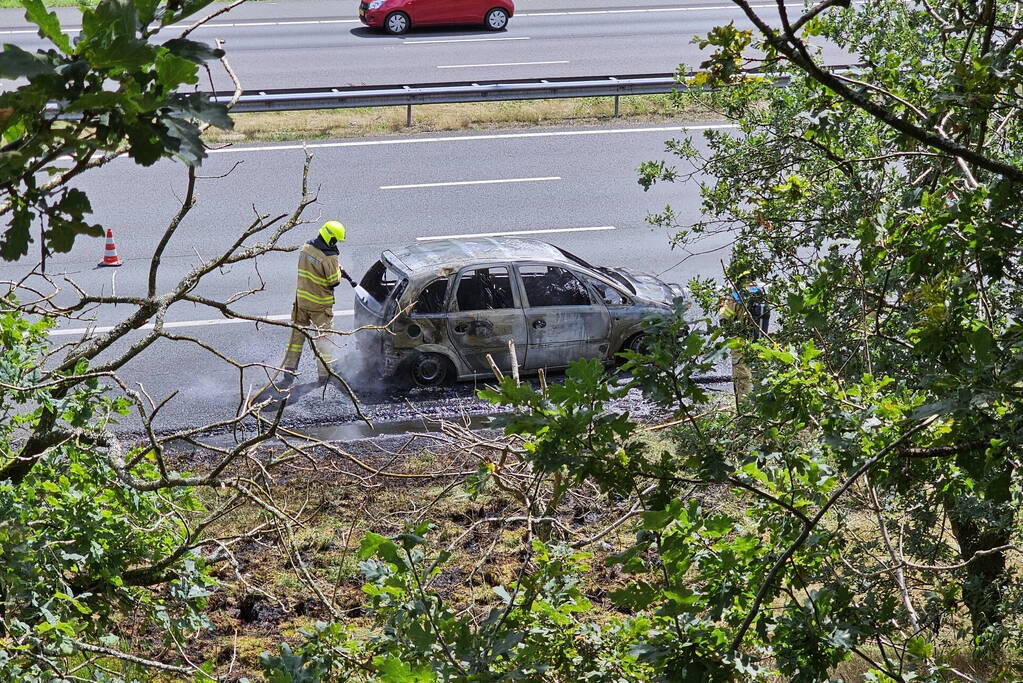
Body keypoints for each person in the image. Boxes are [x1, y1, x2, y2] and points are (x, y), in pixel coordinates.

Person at [278, 221, 356, 388]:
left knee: (296, 337)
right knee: (324, 340)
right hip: (320, 305)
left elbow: (314, 269)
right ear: (332, 239)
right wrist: (336, 267)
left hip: (301, 302)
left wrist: (333, 266)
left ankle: (289, 371)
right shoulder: (330, 256)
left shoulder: (306, 248)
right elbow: (333, 281)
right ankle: (324, 375)